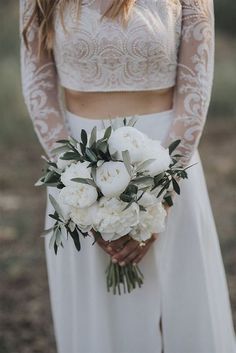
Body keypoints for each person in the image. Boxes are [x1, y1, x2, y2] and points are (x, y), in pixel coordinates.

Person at [20, 1, 236, 352]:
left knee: (178, 310)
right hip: (77, 164)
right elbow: (38, 85)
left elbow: (195, 88)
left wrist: (159, 198)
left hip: (166, 161)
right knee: (100, 321)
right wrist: (76, 181)